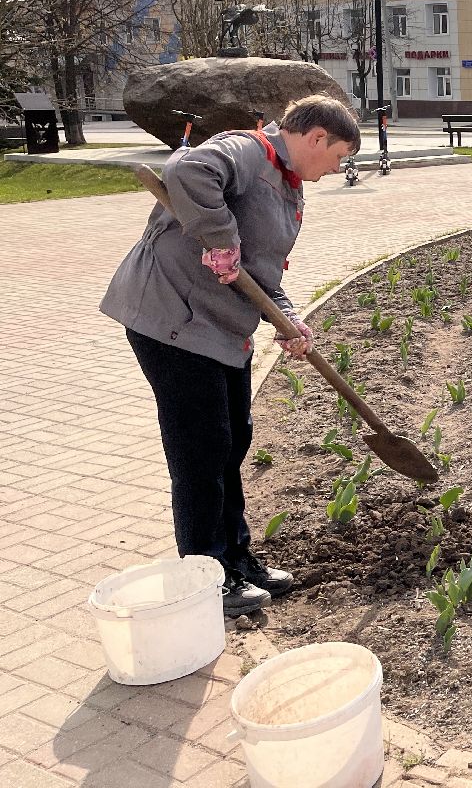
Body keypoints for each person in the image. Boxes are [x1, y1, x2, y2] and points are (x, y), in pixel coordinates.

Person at [100, 96, 361, 616]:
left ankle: (237, 560)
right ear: (316, 138)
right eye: (338, 157)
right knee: (201, 451)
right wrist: (219, 239)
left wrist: (288, 320)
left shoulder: (287, 189)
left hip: (220, 329)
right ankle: (205, 575)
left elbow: (261, 272)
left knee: (233, 440)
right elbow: (187, 168)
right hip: (173, 319)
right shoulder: (245, 150)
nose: (336, 170)